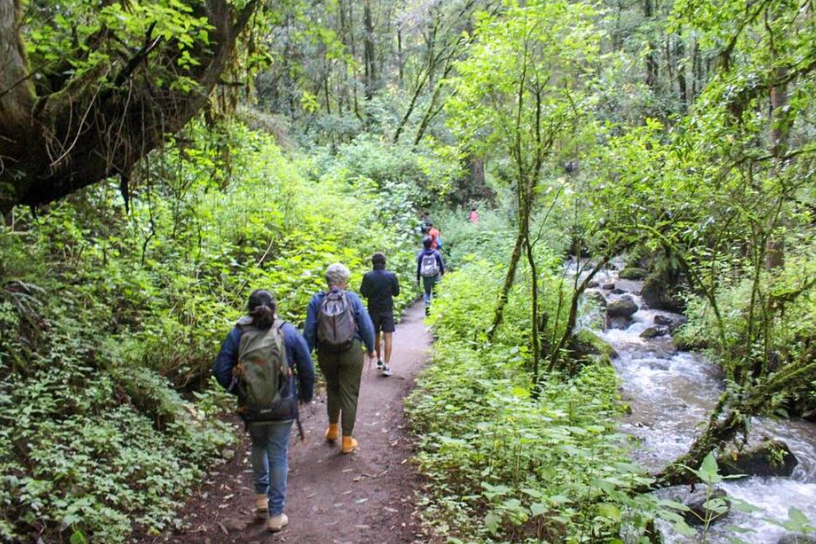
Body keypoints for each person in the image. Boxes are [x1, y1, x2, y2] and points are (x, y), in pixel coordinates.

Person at [212, 289, 315, 533]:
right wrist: (304, 396)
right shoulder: (287, 331)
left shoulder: (238, 333)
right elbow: (307, 367)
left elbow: (220, 370)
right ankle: (276, 515)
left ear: (249, 309)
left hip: (252, 407)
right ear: (275, 307)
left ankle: (261, 502)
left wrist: (240, 391)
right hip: (282, 406)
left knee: (258, 447)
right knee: (278, 453)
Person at [304, 263, 375, 454]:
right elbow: (366, 325)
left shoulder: (316, 300)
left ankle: (333, 430)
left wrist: (304, 356)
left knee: (333, 388)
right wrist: (371, 348)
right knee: (349, 393)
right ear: (343, 281)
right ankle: (347, 440)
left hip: (326, 352)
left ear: (328, 281)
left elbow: (309, 331)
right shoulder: (352, 298)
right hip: (351, 351)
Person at [360, 252, 401, 377]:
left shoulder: (368, 276)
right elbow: (396, 293)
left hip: (373, 310)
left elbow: (364, 293)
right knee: (388, 336)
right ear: (384, 262)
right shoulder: (391, 276)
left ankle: (379, 360)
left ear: (373, 263)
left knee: (376, 335)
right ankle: (387, 365)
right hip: (387, 309)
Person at [417, 236, 445, 315]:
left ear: (423, 244)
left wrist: (418, 278)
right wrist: (442, 273)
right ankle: (436, 309)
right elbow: (441, 265)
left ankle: (427, 307)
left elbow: (419, 267)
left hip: (425, 277)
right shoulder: (436, 253)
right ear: (431, 243)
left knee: (427, 292)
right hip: (435, 275)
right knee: (436, 292)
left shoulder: (421, 254)